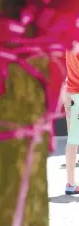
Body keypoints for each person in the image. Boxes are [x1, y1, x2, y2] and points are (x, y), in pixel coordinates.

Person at [63, 50, 79, 195]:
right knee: (73, 141)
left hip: (69, 92)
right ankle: (71, 184)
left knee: (73, 139)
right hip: (77, 94)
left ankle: (71, 183)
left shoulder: (70, 41)